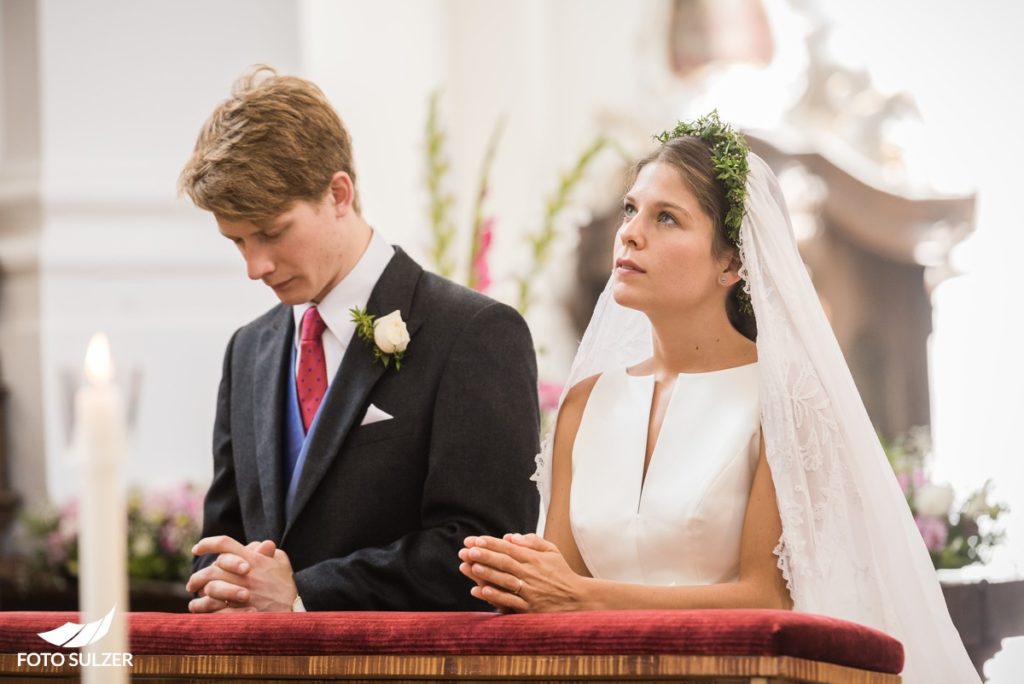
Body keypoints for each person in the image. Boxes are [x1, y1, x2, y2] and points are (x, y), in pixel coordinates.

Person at [458, 113, 978, 683]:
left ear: (730, 261)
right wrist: (516, 577)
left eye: (666, 218)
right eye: (631, 209)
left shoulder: (781, 401)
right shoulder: (585, 405)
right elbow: (556, 591)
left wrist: (581, 596)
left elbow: (766, 598)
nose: (630, 232)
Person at [179, 65, 540, 612]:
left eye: (272, 233)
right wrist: (222, 580)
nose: (256, 266)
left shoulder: (473, 334)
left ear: (339, 192)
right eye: (238, 242)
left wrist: (305, 594)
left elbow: (483, 551)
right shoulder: (248, 351)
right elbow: (225, 537)